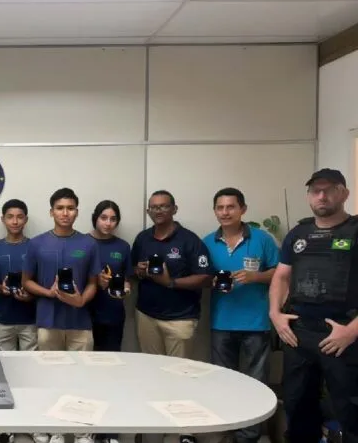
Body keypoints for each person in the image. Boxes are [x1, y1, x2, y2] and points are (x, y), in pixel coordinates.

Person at [269, 169, 358, 443]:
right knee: (297, 406)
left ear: (344, 193)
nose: (321, 196)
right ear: (309, 196)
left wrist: (352, 331)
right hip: (300, 334)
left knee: (349, 409)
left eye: (328, 189)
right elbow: (281, 276)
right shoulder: (298, 233)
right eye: (315, 191)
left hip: (344, 334)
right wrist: (275, 314)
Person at [130, 190, 212, 443]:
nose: (159, 211)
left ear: (174, 209)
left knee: (180, 374)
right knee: (152, 373)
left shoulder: (190, 240)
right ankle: (156, 424)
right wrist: (139, 270)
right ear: (148, 211)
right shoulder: (143, 239)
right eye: (154, 207)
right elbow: (132, 270)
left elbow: (205, 277)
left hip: (180, 318)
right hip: (147, 316)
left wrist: (171, 282)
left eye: (164, 206)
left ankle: (184, 431)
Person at [23, 188, 101, 443]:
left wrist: (81, 300)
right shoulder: (36, 244)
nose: (65, 213)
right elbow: (26, 281)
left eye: (70, 208)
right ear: (51, 212)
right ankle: (55, 430)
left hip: (80, 322)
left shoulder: (88, 244)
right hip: (48, 321)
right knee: (50, 378)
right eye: (60, 208)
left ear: (77, 212)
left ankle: (82, 432)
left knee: (82, 379)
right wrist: (49, 292)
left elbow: (93, 282)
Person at [202, 188, 279, 443]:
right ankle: (225, 431)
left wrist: (257, 276)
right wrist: (210, 281)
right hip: (221, 322)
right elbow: (199, 275)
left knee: (257, 383)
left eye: (231, 207)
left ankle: (249, 436)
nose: (225, 212)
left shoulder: (262, 239)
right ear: (215, 211)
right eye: (220, 207)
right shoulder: (206, 242)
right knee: (223, 382)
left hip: (256, 322)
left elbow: (281, 273)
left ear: (242, 209)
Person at [0, 199, 36, 443]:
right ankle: (6, 424)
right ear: (3, 219)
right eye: (10, 216)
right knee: (4, 373)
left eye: (20, 216)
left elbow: (40, 280)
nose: (15, 221)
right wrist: (0, 288)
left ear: (26, 219)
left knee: (31, 373)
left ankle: (31, 422)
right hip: (3, 318)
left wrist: (31, 294)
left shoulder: (35, 246)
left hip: (30, 319)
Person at [87, 200, 131, 443]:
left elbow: (127, 278)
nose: (108, 223)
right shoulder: (82, 242)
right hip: (84, 315)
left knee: (110, 372)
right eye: (104, 217)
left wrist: (125, 287)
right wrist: (96, 282)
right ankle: (89, 428)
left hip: (113, 314)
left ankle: (110, 431)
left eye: (113, 219)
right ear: (95, 218)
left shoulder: (122, 246)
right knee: (88, 372)